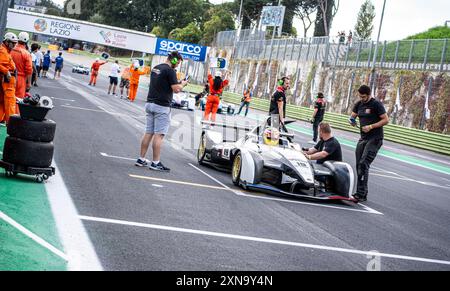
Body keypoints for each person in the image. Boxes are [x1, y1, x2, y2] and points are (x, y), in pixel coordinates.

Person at [136, 51, 187, 172]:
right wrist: (183, 84)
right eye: (178, 62)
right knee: (159, 135)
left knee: (148, 132)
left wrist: (177, 83)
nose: (178, 65)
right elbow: (176, 90)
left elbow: (164, 84)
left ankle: (141, 159)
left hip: (150, 103)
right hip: (161, 105)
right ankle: (155, 162)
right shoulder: (170, 71)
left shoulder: (156, 68)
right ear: (174, 60)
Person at [349, 85, 389, 202]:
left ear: (369, 94)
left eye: (364, 97)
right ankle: (361, 192)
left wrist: (371, 126)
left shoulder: (376, 104)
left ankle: (361, 194)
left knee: (363, 164)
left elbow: (386, 120)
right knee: (358, 165)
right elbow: (352, 117)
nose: (362, 98)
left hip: (375, 138)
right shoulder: (359, 104)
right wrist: (352, 121)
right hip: (363, 138)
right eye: (360, 96)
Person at [0, 32, 18, 125]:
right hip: (7, 80)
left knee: (2, 102)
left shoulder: (5, 50)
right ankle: (11, 124)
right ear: (7, 42)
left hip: (8, 79)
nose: (14, 45)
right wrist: (6, 71)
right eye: (12, 43)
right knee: (10, 102)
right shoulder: (3, 51)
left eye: (15, 43)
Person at [11, 31, 32, 99]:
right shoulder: (26, 54)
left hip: (8, 76)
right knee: (18, 100)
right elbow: (29, 70)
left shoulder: (10, 49)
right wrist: (29, 83)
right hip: (20, 79)